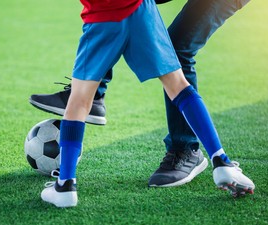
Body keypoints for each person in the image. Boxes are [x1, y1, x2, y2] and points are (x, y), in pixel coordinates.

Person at [39, 0, 255, 208]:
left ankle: (65, 185)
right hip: (140, 10)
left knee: (78, 100)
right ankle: (221, 161)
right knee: (179, 85)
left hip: (102, 17)